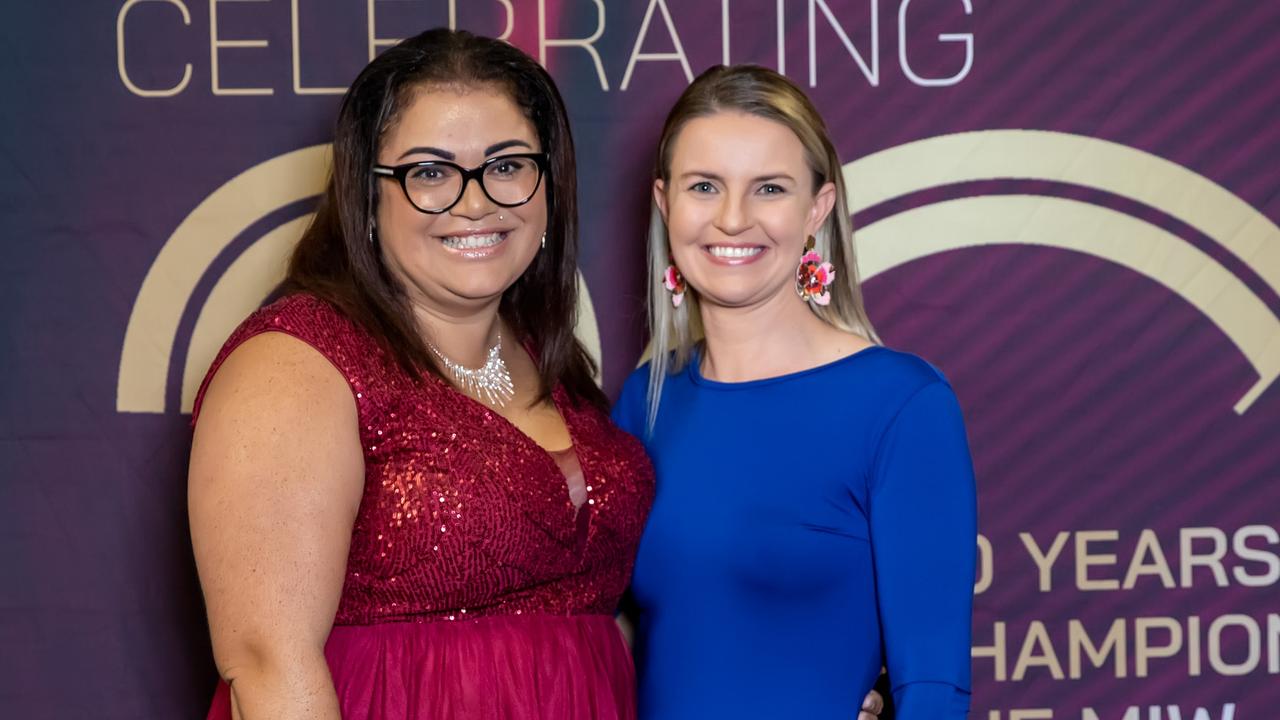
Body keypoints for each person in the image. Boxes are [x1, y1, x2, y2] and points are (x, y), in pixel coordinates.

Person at [188, 29, 654, 720]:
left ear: (549, 187)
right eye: (430, 172)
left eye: (507, 165)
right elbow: (268, 664)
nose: (475, 202)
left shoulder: (555, 364)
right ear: (367, 201)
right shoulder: (294, 362)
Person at [612, 64, 978, 719]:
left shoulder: (901, 406)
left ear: (818, 210)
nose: (732, 219)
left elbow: (932, 686)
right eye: (705, 186)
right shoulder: (646, 402)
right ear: (666, 204)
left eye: (769, 189)